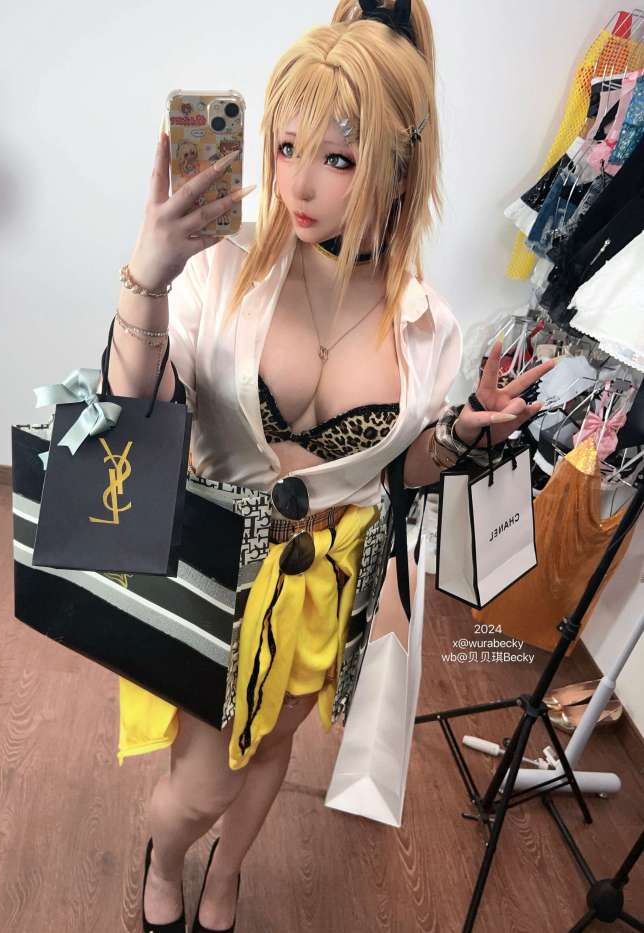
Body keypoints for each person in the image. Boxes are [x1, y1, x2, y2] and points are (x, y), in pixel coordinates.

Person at [108, 2, 555, 930]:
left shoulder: (428, 328)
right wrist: (148, 277)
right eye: (286, 147)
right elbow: (133, 410)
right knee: (200, 780)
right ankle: (169, 853)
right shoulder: (221, 268)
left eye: (339, 158)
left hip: (328, 579)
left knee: (273, 748)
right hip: (214, 566)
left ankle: (227, 875)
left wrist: (465, 434)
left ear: (398, 166)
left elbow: (405, 469)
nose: (299, 183)